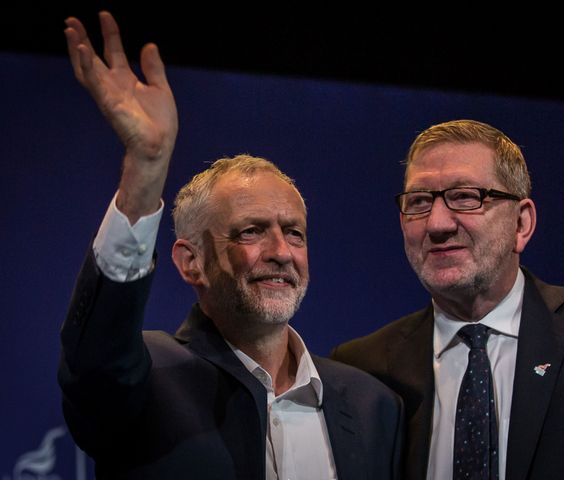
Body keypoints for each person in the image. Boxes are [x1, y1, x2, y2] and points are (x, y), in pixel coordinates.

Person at [57, 11, 403, 479]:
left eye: (294, 232)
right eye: (251, 231)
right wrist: (147, 166)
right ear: (191, 261)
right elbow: (96, 354)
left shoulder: (372, 405)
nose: (281, 251)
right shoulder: (149, 379)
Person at [331, 119, 564, 480]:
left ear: (521, 224)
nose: (437, 224)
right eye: (420, 201)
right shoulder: (363, 367)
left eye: (465, 197)